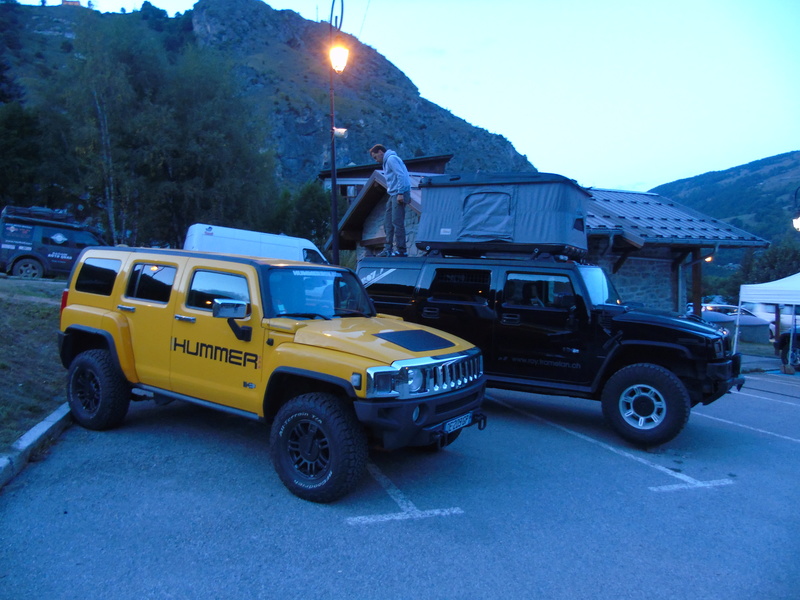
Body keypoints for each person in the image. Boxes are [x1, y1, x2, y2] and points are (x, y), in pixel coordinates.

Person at [369, 144, 410, 257]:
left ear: (380, 152)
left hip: (399, 193)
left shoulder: (391, 159)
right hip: (393, 194)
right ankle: (388, 249)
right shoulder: (386, 162)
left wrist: (401, 193)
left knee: (397, 222)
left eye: (375, 157)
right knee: (388, 222)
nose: (376, 160)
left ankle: (402, 250)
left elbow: (401, 175)